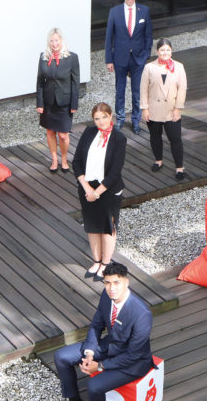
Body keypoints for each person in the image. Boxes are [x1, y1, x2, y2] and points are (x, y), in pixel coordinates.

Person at [50, 262, 153, 401]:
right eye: (107, 283)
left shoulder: (142, 313)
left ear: (126, 282)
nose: (111, 288)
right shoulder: (106, 297)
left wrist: (100, 366)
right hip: (108, 347)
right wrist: (89, 353)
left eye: (116, 283)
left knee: (95, 385)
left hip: (134, 362)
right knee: (61, 357)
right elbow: (96, 325)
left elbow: (134, 354)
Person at [71, 102, 127, 282]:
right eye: (97, 118)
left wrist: (98, 192)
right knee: (92, 225)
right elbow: (77, 162)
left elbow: (115, 172)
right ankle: (96, 261)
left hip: (108, 190)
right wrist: (87, 187)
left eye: (104, 117)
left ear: (110, 116)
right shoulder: (88, 133)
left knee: (108, 228)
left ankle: (106, 263)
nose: (101, 121)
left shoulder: (119, 139)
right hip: (87, 188)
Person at [105, 0, 153, 134]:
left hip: (138, 58)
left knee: (137, 91)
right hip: (119, 57)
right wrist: (109, 59)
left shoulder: (144, 11)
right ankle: (119, 119)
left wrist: (146, 55)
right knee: (120, 90)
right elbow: (108, 38)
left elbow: (148, 36)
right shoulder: (115, 11)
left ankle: (135, 121)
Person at [140, 38, 187, 180]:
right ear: (157, 52)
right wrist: (145, 108)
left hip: (171, 110)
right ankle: (158, 160)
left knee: (175, 138)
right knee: (155, 136)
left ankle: (179, 167)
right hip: (154, 109)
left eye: (167, 49)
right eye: (162, 50)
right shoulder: (149, 67)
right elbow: (143, 89)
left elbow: (182, 89)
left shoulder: (179, 67)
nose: (165, 52)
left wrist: (178, 108)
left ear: (171, 51)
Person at [36, 27, 80, 174]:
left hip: (64, 102)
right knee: (50, 132)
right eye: (52, 41)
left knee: (63, 134)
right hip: (48, 102)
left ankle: (64, 159)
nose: (54, 44)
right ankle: (54, 159)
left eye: (57, 40)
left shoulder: (72, 58)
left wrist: (74, 104)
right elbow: (40, 82)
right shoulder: (43, 57)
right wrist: (39, 103)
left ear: (61, 40)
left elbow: (75, 82)